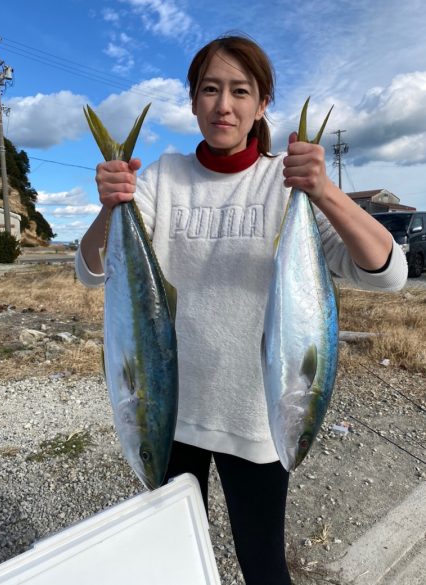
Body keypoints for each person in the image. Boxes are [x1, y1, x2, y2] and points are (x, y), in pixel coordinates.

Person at [75, 35, 408, 585]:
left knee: (263, 566)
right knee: (177, 562)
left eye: (239, 91)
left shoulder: (287, 185)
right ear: (192, 101)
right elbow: (92, 271)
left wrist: (323, 191)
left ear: (261, 105)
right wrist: (112, 206)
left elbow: (389, 272)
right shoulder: (161, 178)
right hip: (167, 413)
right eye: (209, 90)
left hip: (260, 420)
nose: (223, 105)